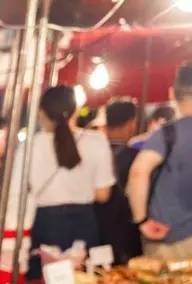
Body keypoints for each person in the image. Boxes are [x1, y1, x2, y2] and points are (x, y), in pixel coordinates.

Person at [22, 85, 114, 272]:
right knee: (82, 283)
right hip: (84, 222)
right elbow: (103, 195)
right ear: (76, 110)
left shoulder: (30, 146)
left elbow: (19, 191)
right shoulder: (97, 141)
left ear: (41, 112)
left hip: (45, 222)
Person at [127, 65, 192, 260]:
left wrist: (141, 220)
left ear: (173, 93)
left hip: (170, 239)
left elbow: (138, 172)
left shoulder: (168, 134)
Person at [98, 98, 143, 264]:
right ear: (131, 123)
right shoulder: (136, 158)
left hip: (93, 229)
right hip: (126, 235)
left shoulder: (92, 152)